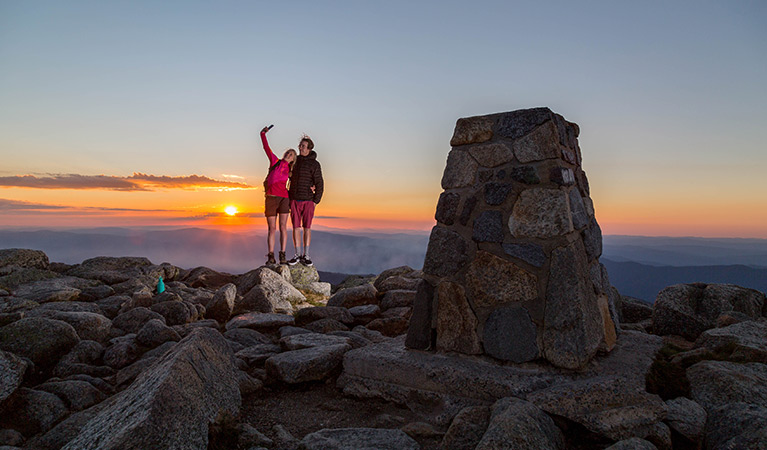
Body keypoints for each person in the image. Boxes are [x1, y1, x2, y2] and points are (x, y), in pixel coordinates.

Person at [260, 126, 296, 265]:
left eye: (291, 154)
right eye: (288, 152)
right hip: (271, 197)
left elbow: (303, 178)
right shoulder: (275, 161)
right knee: (272, 228)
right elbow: (266, 148)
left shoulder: (291, 170)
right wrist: (263, 133)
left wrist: (313, 186)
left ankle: (282, 255)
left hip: (284, 198)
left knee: (283, 227)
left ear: (293, 159)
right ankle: (270, 256)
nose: (288, 154)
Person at [287, 134, 324, 266]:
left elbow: (319, 183)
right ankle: (297, 255)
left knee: (307, 228)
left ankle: (306, 255)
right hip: (295, 199)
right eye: (300, 146)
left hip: (308, 200)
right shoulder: (295, 162)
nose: (300, 148)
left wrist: (315, 201)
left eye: (303, 146)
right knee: (296, 227)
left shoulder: (315, 164)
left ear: (309, 148)